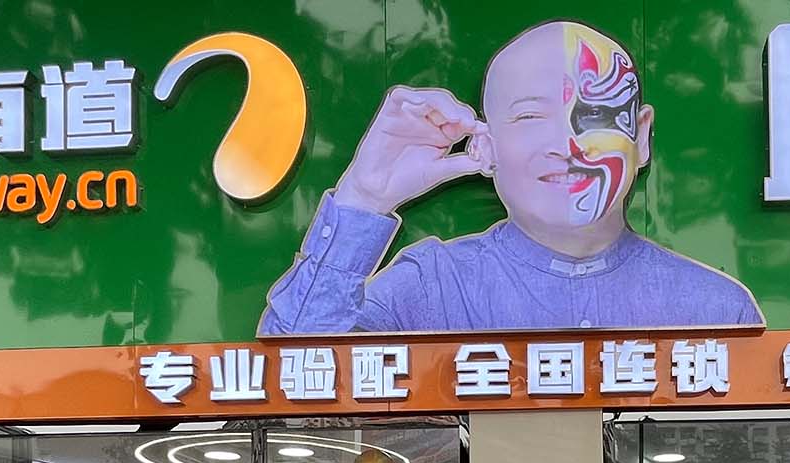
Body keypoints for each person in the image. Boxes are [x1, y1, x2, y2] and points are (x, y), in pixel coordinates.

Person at [259, 20, 761, 336]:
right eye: (530, 117)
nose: (566, 145)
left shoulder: (716, 310)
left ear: (642, 136)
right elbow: (293, 387)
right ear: (486, 143)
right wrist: (364, 198)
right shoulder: (433, 286)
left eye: (595, 115)